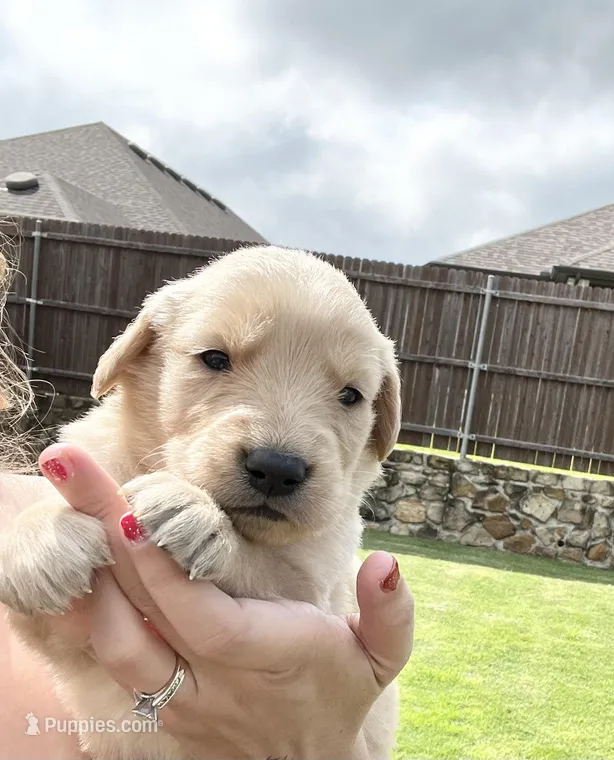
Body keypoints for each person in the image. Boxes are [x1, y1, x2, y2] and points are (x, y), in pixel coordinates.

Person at [0, 232, 415, 759]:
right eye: (217, 359)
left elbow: (298, 609)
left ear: (380, 421)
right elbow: (50, 625)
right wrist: (40, 533)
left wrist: (232, 558)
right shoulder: (82, 469)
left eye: (349, 396)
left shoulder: (326, 532)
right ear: (141, 353)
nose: (279, 454)